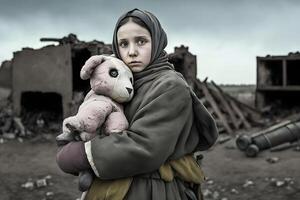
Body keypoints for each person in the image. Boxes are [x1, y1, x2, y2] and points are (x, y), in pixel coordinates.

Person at [56, 8, 218, 200]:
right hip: (115, 185)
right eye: (123, 44)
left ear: (156, 42)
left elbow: (145, 147)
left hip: (152, 190)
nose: (131, 52)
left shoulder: (170, 86)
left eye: (141, 41)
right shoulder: (121, 84)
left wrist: (81, 154)